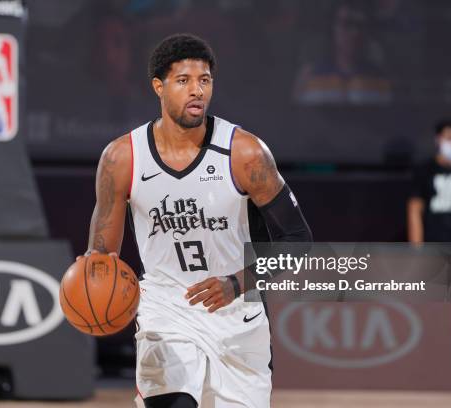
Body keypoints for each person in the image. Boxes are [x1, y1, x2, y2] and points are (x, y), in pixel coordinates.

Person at [77, 34, 312, 408]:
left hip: (238, 319)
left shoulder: (245, 153)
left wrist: (237, 283)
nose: (196, 91)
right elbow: (102, 252)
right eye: (183, 80)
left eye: (204, 80)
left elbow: (298, 241)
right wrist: (90, 273)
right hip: (167, 312)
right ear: (159, 86)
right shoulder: (122, 158)